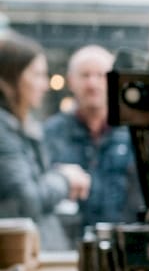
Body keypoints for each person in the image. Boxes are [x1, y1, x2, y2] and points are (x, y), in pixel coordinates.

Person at [0, 33, 91, 252]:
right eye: (37, 74)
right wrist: (64, 179)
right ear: (10, 79)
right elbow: (25, 201)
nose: (45, 85)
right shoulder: (4, 131)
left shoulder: (20, 127)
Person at [44, 45, 143, 230]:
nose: (92, 83)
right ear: (71, 81)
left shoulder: (133, 134)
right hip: (66, 248)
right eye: (85, 75)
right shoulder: (51, 134)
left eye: (100, 75)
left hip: (123, 242)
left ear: (113, 81)